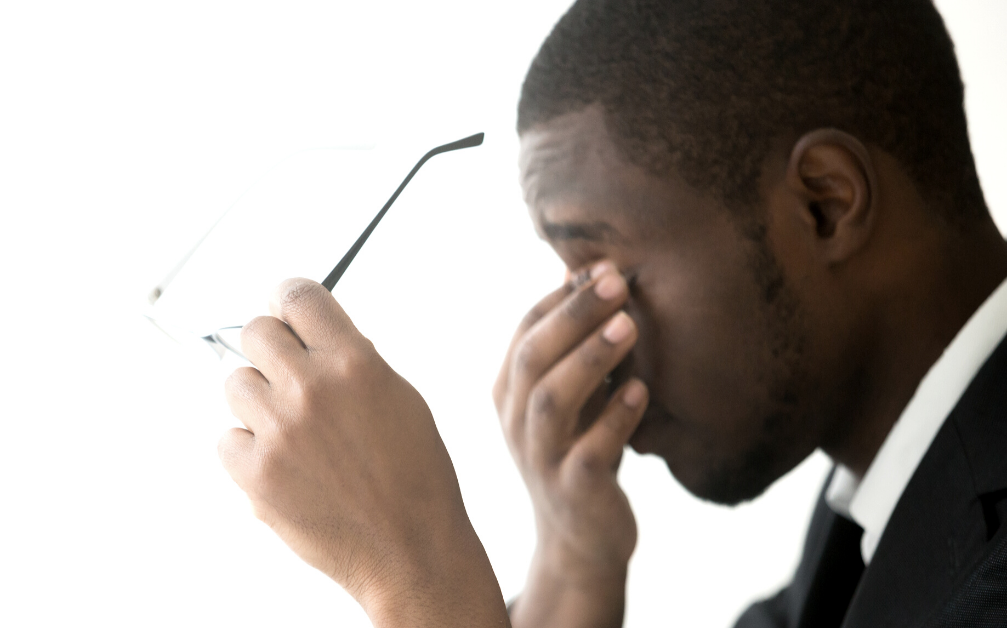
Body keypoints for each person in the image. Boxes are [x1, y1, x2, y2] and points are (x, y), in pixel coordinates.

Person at [215, 0, 1007, 626]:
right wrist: (571, 560)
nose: (584, 335)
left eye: (599, 267)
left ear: (824, 205)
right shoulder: (868, 529)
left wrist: (416, 573)